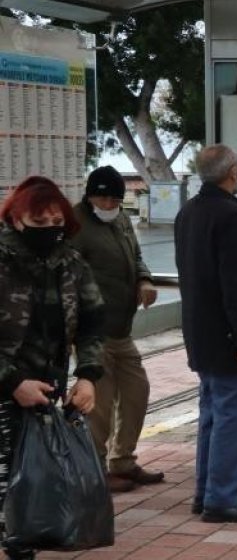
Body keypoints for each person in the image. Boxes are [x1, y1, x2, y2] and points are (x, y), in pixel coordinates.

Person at [0, 177, 106, 560]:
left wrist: (88, 376)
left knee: (30, 485)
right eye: (38, 223)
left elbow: (94, 322)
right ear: (14, 220)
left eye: (55, 223)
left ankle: (21, 544)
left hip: (45, 391)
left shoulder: (70, 263)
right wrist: (12, 381)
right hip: (6, 388)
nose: (48, 231)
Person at [175, 144, 237, 523]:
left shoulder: (189, 213)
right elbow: (235, 286)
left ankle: (208, 491)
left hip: (202, 334)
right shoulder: (231, 217)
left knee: (212, 417)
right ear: (233, 171)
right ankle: (223, 498)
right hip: (230, 339)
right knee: (234, 420)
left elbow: (204, 270)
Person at [69, 166, 163, 494]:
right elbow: (67, 276)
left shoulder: (121, 219)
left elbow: (136, 256)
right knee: (100, 402)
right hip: (93, 331)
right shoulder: (75, 225)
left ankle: (122, 459)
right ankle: (94, 468)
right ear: (90, 194)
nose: (109, 205)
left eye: (115, 199)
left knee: (137, 391)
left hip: (122, 329)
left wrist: (145, 279)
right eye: (103, 197)